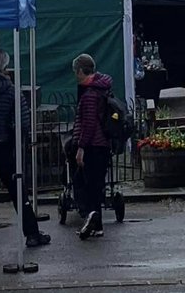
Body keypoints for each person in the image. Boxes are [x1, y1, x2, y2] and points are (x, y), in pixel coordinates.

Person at [0, 49, 50, 251]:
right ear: (5, 66)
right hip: (0, 142)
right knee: (16, 188)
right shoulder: (11, 90)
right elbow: (22, 121)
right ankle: (31, 233)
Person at [70, 53, 113, 240]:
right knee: (97, 185)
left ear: (80, 71)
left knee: (86, 185)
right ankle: (97, 223)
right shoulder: (103, 87)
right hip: (104, 143)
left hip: (92, 146)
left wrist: (80, 148)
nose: (75, 75)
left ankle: (92, 217)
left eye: (75, 72)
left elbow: (88, 124)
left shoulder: (89, 94)